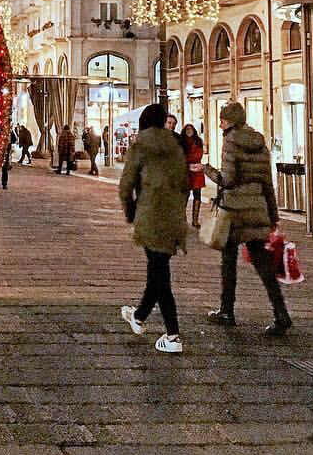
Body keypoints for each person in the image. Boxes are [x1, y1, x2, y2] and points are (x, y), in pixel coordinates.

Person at [205, 101, 291, 337]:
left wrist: (208, 170)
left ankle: (227, 311)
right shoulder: (259, 142)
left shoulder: (230, 142)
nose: (220, 123)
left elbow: (228, 179)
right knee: (263, 265)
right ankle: (281, 313)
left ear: (230, 122)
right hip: (257, 209)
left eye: (222, 119)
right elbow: (267, 182)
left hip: (234, 211)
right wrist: (273, 215)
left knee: (228, 262)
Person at [118, 102, 189, 354]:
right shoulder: (176, 145)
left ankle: (172, 335)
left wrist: (131, 212)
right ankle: (138, 317)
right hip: (173, 216)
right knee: (157, 268)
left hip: (150, 216)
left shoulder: (140, 144)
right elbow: (185, 184)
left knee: (160, 276)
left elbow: (126, 184)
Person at [182, 123, 205, 228]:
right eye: (187, 129)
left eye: (190, 129)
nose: (188, 131)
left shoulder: (198, 141)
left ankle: (195, 220)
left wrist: (188, 159)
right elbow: (180, 156)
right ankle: (183, 219)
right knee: (184, 196)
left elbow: (199, 154)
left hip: (197, 172)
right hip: (185, 171)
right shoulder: (181, 141)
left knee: (197, 196)